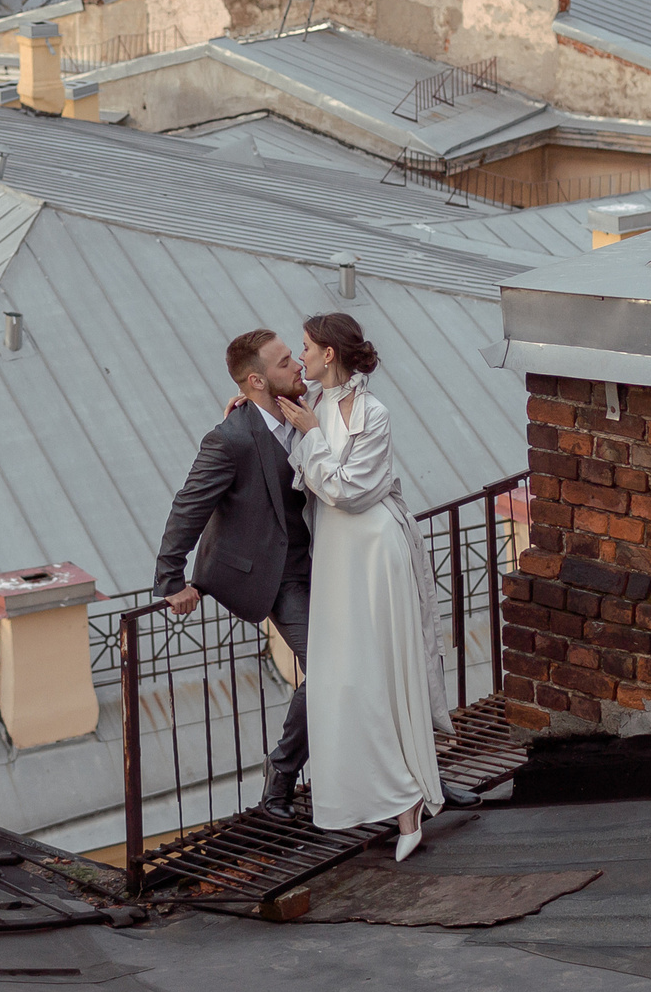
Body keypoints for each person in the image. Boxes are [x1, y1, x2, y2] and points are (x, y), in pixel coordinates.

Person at [275, 312, 454, 862]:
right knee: (342, 681)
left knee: (379, 674)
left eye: (305, 348)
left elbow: (348, 491)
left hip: (375, 554)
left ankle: (407, 806)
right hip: (337, 557)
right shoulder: (314, 408)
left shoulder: (373, 414)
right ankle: (382, 800)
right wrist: (240, 406)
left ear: (329, 353)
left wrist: (309, 439)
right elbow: (276, 435)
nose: (300, 357)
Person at [151, 328, 315, 819]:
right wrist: (171, 580)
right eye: (286, 363)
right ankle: (280, 779)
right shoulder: (231, 438)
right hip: (276, 574)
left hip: (324, 559)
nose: (298, 367)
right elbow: (189, 507)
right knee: (325, 668)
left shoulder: (304, 413)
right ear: (256, 381)